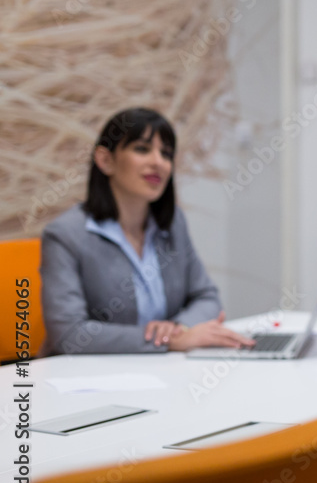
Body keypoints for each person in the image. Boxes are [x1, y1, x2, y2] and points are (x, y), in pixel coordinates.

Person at [40, 108, 254, 355]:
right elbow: (70, 334)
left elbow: (206, 297)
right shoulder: (65, 235)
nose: (158, 162)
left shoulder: (173, 224)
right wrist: (165, 341)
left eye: (166, 154)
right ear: (105, 160)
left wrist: (179, 329)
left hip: (159, 372)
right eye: (142, 149)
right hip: (84, 381)